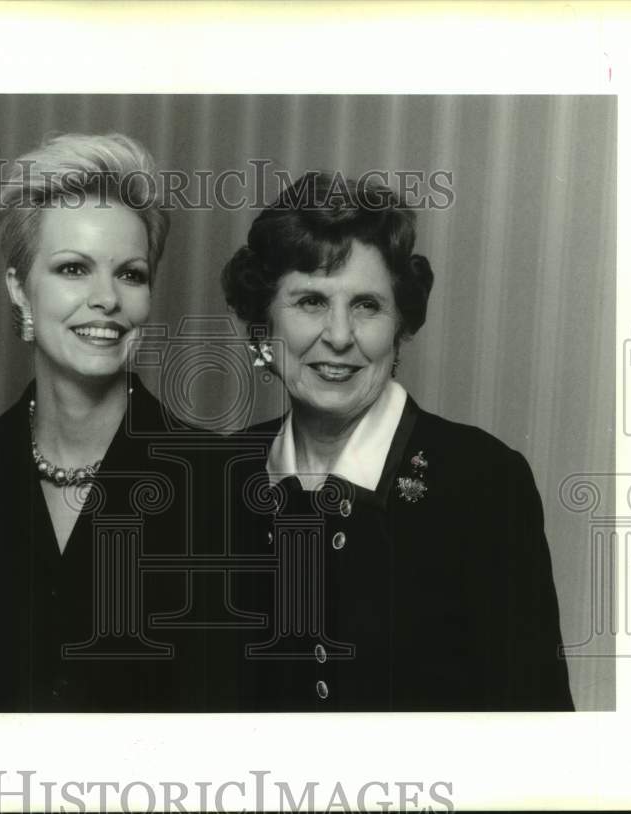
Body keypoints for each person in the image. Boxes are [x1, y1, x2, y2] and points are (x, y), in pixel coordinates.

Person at [219, 172, 575, 711]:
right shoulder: (220, 477)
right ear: (262, 325)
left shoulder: (482, 480)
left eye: (367, 305)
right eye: (311, 301)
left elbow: (534, 729)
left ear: (399, 324)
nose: (339, 336)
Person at [0, 133, 212, 712]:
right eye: (72, 268)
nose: (106, 299)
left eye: (131, 274)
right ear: (19, 289)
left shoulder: (218, 481)